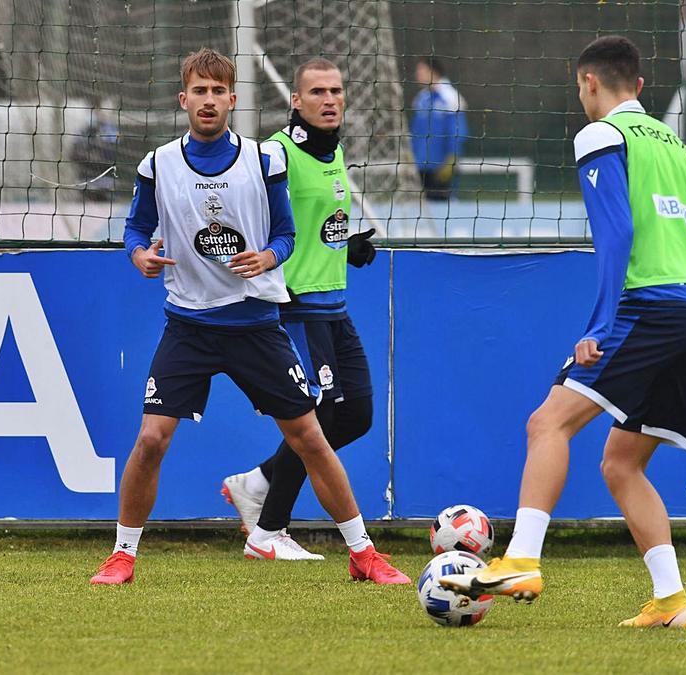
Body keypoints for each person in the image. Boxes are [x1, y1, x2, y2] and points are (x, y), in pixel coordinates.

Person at [90, 48, 409, 586]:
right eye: (200, 91)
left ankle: (363, 553)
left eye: (219, 92)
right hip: (188, 325)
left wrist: (268, 256)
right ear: (183, 99)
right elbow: (135, 230)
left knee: (312, 434)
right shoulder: (158, 163)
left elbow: (285, 233)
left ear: (232, 100)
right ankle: (122, 555)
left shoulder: (264, 161)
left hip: (256, 322)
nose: (209, 101)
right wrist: (139, 254)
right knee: (150, 440)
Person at [441, 36, 686, 629]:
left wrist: (599, 325)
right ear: (641, 87)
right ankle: (673, 602)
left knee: (547, 422)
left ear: (590, 83)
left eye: (579, 89)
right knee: (622, 463)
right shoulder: (677, 146)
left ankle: (521, 557)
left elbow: (616, 235)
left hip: (649, 305)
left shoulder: (601, 135)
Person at [218, 58, 404, 581]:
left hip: (334, 307)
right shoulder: (275, 153)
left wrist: (348, 247)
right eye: (317, 92)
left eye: (337, 91)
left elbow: (314, 225)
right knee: (314, 421)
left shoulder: (334, 149)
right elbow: (247, 213)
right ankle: (267, 532)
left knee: (356, 415)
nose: (329, 99)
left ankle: (256, 484)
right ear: (295, 101)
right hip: (297, 309)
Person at [409, 57, 467, 201]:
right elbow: (415, 131)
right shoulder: (421, 99)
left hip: (441, 167)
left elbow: (458, 131)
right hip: (420, 166)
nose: (417, 74)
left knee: (443, 208)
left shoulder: (450, 97)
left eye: (421, 70)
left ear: (433, 72)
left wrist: (451, 158)